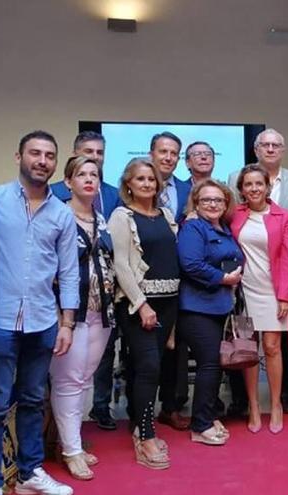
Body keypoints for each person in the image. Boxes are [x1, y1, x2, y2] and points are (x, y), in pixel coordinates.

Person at [0, 131, 79, 495]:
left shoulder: (61, 213)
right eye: (35, 153)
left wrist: (67, 322)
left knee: (34, 400)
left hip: (43, 321)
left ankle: (29, 474)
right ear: (18, 155)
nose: (42, 161)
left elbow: (69, 272)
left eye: (49, 155)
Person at [227, 128, 288, 413]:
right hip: (243, 293)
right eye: (248, 184)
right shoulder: (234, 215)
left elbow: (287, 258)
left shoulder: (283, 216)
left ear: (267, 186)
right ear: (242, 188)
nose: (254, 189)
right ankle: (253, 407)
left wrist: (285, 296)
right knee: (248, 351)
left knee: (272, 349)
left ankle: (275, 405)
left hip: (272, 291)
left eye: (259, 184)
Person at [48, 156, 116, 479]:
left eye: (94, 175)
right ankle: (71, 450)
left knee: (84, 379)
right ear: (68, 182)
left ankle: (72, 441)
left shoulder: (101, 219)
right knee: (67, 381)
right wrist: (63, 316)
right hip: (69, 314)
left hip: (101, 312)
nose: (89, 179)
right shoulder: (58, 216)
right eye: (81, 174)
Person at [108, 157, 178, 469]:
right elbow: (121, 265)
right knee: (149, 366)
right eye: (140, 179)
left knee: (147, 366)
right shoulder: (122, 216)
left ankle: (138, 422)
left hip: (169, 302)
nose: (147, 184)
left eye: (151, 179)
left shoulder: (166, 214)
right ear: (128, 185)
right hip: (139, 305)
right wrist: (142, 304)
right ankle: (146, 434)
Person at [177, 179, 244, 445]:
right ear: (196, 202)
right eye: (206, 200)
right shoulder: (193, 228)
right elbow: (191, 264)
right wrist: (223, 279)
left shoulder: (223, 228)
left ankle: (208, 414)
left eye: (218, 200)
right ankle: (200, 425)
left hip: (218, 307)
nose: (213, 204)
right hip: (196, 308)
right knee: (209, 365)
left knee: (214, 365)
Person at [147, 131, 192, 431]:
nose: (168, 157)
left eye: (174, 153)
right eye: (162, 151)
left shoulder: (188, 189)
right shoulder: (137, 184)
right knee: (146, 349)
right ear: (152, 153)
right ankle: (143, 409)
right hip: (146, 277)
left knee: (178, 345)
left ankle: (172, 405)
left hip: (180, 276)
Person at [50, 131, 122, 219]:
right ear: (75, 155)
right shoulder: (53, 193)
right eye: (89, 151)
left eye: (100, 152)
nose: (95, 157)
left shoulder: (115, 195)